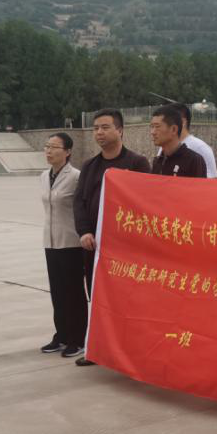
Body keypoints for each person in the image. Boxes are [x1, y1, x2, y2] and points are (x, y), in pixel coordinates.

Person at [73, 109, 151, 364]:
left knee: (126, 301)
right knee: (97, 298)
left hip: (124, 250)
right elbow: (79, 202)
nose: (99, 132)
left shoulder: (137, 163)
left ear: (120, 130)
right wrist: (84, 231)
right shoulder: (90, 166)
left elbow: (145, 203)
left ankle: (130, 352)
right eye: (96, 128)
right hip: (94, 247)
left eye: (105, 127)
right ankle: (98, 350)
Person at [39, 132, 87, 359]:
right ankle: (62, 335)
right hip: (50, 241)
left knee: (73, 293)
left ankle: (78, 339)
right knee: (57, 292)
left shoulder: (76, 177)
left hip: (71, 243)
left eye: (54, 147)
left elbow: (82, 208)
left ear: (67, 152)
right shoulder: (43, 176)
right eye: (47, 146)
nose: (49, 151)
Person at [150, 105, 207, 178]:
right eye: (152, 127)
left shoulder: (193, 160)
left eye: (157, 127)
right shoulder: (157, 161)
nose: (153, 132)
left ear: (174, 129)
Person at [172, 103, 217, 178]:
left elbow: (213, 179)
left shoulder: (201, 148)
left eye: (168, 121)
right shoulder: (164, 148)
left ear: (182, 122)